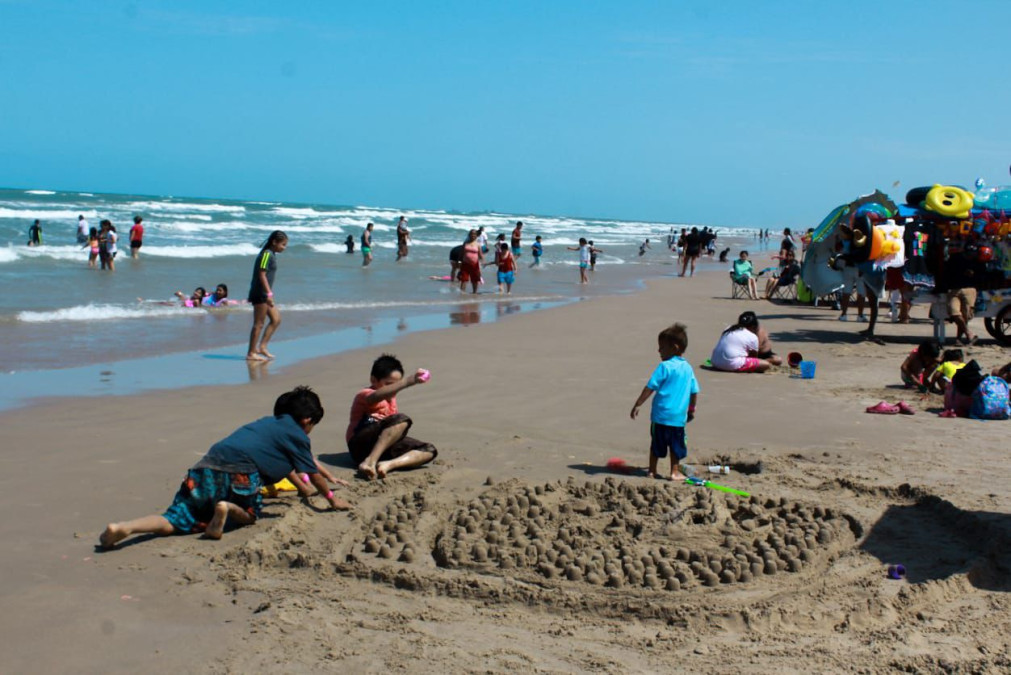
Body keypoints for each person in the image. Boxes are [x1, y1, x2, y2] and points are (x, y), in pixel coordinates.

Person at [99, 386, 351, 549]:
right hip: (239, 473)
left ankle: (126, 527)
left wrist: (304, 490)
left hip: (205, 467)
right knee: (251, 513)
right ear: (308, 420)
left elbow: (285, 467)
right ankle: (229, 508)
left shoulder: (266, 425)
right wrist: (331, 498)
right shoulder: (297, 434)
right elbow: (314, 473)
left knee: (176, 518)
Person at [347, 354, 437, 480]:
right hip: (359, 445)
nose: (393, 389)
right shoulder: (365, 394)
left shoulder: (392, 401)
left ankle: (388, 465)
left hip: (380, 448)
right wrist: (408, 381)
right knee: (401, 420)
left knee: (429, 450)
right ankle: (370, 461)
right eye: (389, 384)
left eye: (396, 384)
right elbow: (375, 397)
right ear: (374, 380)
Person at [630, 323, 699, 481]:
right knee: (676, 446)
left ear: (674, 348)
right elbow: (694, 391)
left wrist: (638, 404)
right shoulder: (688, 368)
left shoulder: (664, 366)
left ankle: (652, 471)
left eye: (662, 347)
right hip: (678, 417)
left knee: (656, 444)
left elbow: (650, 387)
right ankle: (674, 472)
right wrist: (691, 409)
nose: (659, 351)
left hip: (660, 415)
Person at [246, 230, 288, 361]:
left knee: (276, 319)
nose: (284, 248)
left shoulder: (272, 254)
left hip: (265, 293)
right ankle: (251, 353)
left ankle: (262, 346)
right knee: (258, 324)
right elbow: (262, 274)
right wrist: (269, 293)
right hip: (260, 293)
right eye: (283, 244)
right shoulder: (266, 255)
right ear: (274, 242)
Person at [710, 311, 782, 373]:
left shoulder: (728, 328)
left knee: (776, 359)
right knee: (766, 364)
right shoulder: (752, 336)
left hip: (714, 361)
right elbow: (753, 359)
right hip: (729, 364)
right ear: (754, 326)